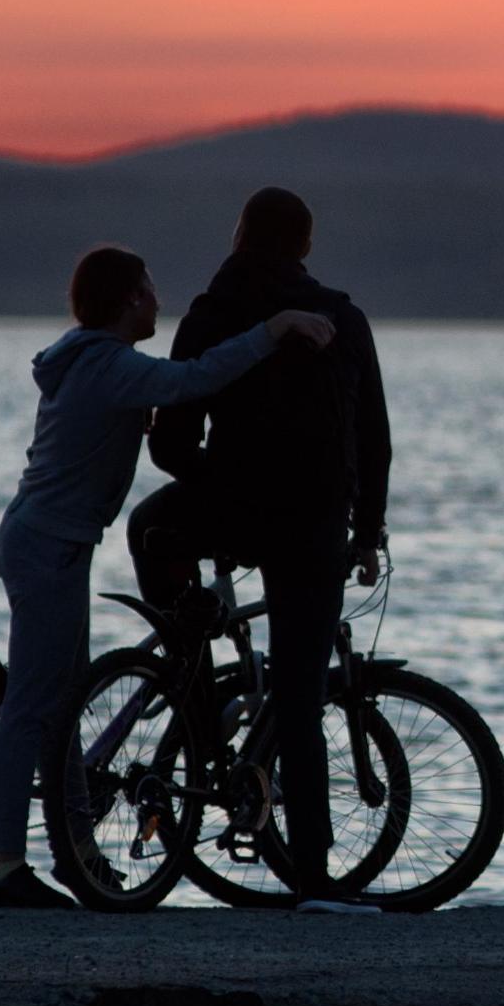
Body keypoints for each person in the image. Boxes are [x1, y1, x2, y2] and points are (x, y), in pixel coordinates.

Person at [0, 244, 335, 910]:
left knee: (61, 711)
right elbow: (197, 378)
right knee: (32, 711)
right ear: (126, 301)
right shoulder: (112, 366)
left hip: (50, 540)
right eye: (149, 289)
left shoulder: (84, 357)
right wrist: (275, 328)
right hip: (48, 547)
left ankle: (77, 858)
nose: (158, 299)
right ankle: (6, 869)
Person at [127, 186, 390, 898]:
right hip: (314, 523)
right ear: (305, 245)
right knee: (301, 701)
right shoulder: (343, 316)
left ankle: (190, 677)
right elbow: (374, 439)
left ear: (239, 237)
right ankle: (313, 877)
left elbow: (175, 442)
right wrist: (367, 531)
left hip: (231, 510)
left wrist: (218, 479)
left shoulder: (212, 314)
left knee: (147, 528)